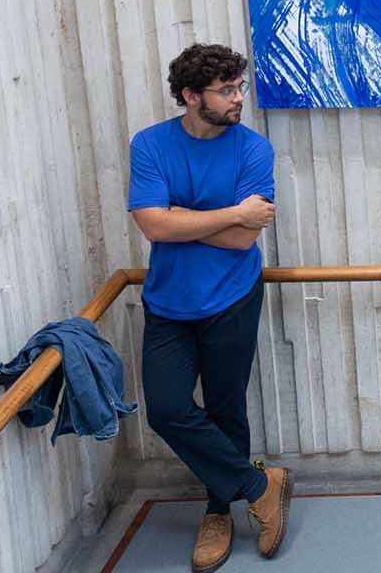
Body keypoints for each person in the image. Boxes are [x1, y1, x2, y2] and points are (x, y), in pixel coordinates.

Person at [127, 43, 293, 571]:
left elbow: (244, 241)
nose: (238, 98)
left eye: (239, 87)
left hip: (232, 298)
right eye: (226, 90)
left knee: (226, 408)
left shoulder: (253, 150)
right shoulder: (151, 145)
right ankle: (256, 485)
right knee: (169, 408)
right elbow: (152, 226)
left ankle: (219, 510)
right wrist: (227, 214)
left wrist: (181, 216)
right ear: (190, 95)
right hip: (168, 304)